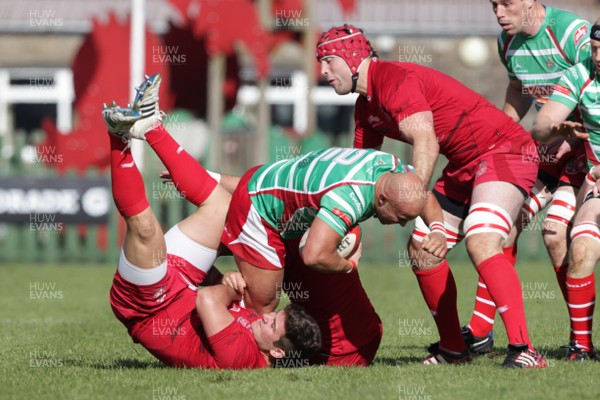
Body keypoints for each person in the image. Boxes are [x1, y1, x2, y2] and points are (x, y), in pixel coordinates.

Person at [317, 24, 547, 368]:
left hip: (505, 150)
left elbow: (426, 140)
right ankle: (454, 349)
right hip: (464, 164)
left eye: (327, 61)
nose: (322, 72)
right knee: (421, 248)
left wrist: (413, 194)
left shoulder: (393, 78)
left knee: (482, 239)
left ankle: (525, 350)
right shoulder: (366, 108)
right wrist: (344, 226)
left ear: (352, 58)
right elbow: (361, 175)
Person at [102, 73, 320, 369]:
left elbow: (207, 302)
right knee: (223, 206)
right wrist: (224, 279)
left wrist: (229, 290)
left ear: (278, 353)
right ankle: (150, 127)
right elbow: (211, 292)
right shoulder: (259, 332)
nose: (266, 316)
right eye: (275, 315)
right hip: (181, 284)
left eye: (272, 326)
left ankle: (117, 136)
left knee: (145, 228)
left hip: (149, 307)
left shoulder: (243, 359)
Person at [460, 0, 592, 355]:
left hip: (586, 154)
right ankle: (480, 330)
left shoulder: (571, 32)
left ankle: (581, 339)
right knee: (502, 224)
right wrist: (502, 132)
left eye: (507, 3)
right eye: (493, 5)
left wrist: (570, 137)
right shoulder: (507, 42)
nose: (499, 12)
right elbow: (518, 88)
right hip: (547, 151)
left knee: (557, 237)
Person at [530, 22, 600, 361]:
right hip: (596, 182)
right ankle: (582, 348)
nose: (597, 57)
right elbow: (541, 127)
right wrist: (555, 127)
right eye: (595, 49)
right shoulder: (579, 74)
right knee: (581, 248)